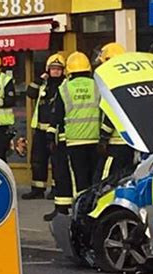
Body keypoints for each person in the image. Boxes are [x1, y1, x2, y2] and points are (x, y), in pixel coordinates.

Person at [47, 51, 100, 203]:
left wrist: (51, 137)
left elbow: (57, 116)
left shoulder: (64, 89)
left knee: (79, 178)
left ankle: (81, 208)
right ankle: (94, 207)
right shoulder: (97, 86)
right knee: (94, 178)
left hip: (74, 141)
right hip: (95, 139)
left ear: (68, 70)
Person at [22, 54, 66, 200]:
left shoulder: (65, 84)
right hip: (40, 128)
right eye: (53, 69)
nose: (56, 72)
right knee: (37, 160)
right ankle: (37, 189)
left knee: (57, 161)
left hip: (56, 129)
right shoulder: (43, 84)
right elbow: (30, 93)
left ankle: (56, 188)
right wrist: (39, 79)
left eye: (58, 69)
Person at [93, 43, 135, 182]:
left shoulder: (113, 84)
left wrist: (104, 138)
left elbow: (112, 113)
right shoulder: (129, 81)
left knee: (104, 180)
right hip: (129, 142)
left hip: (115, 143)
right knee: (123, 179)